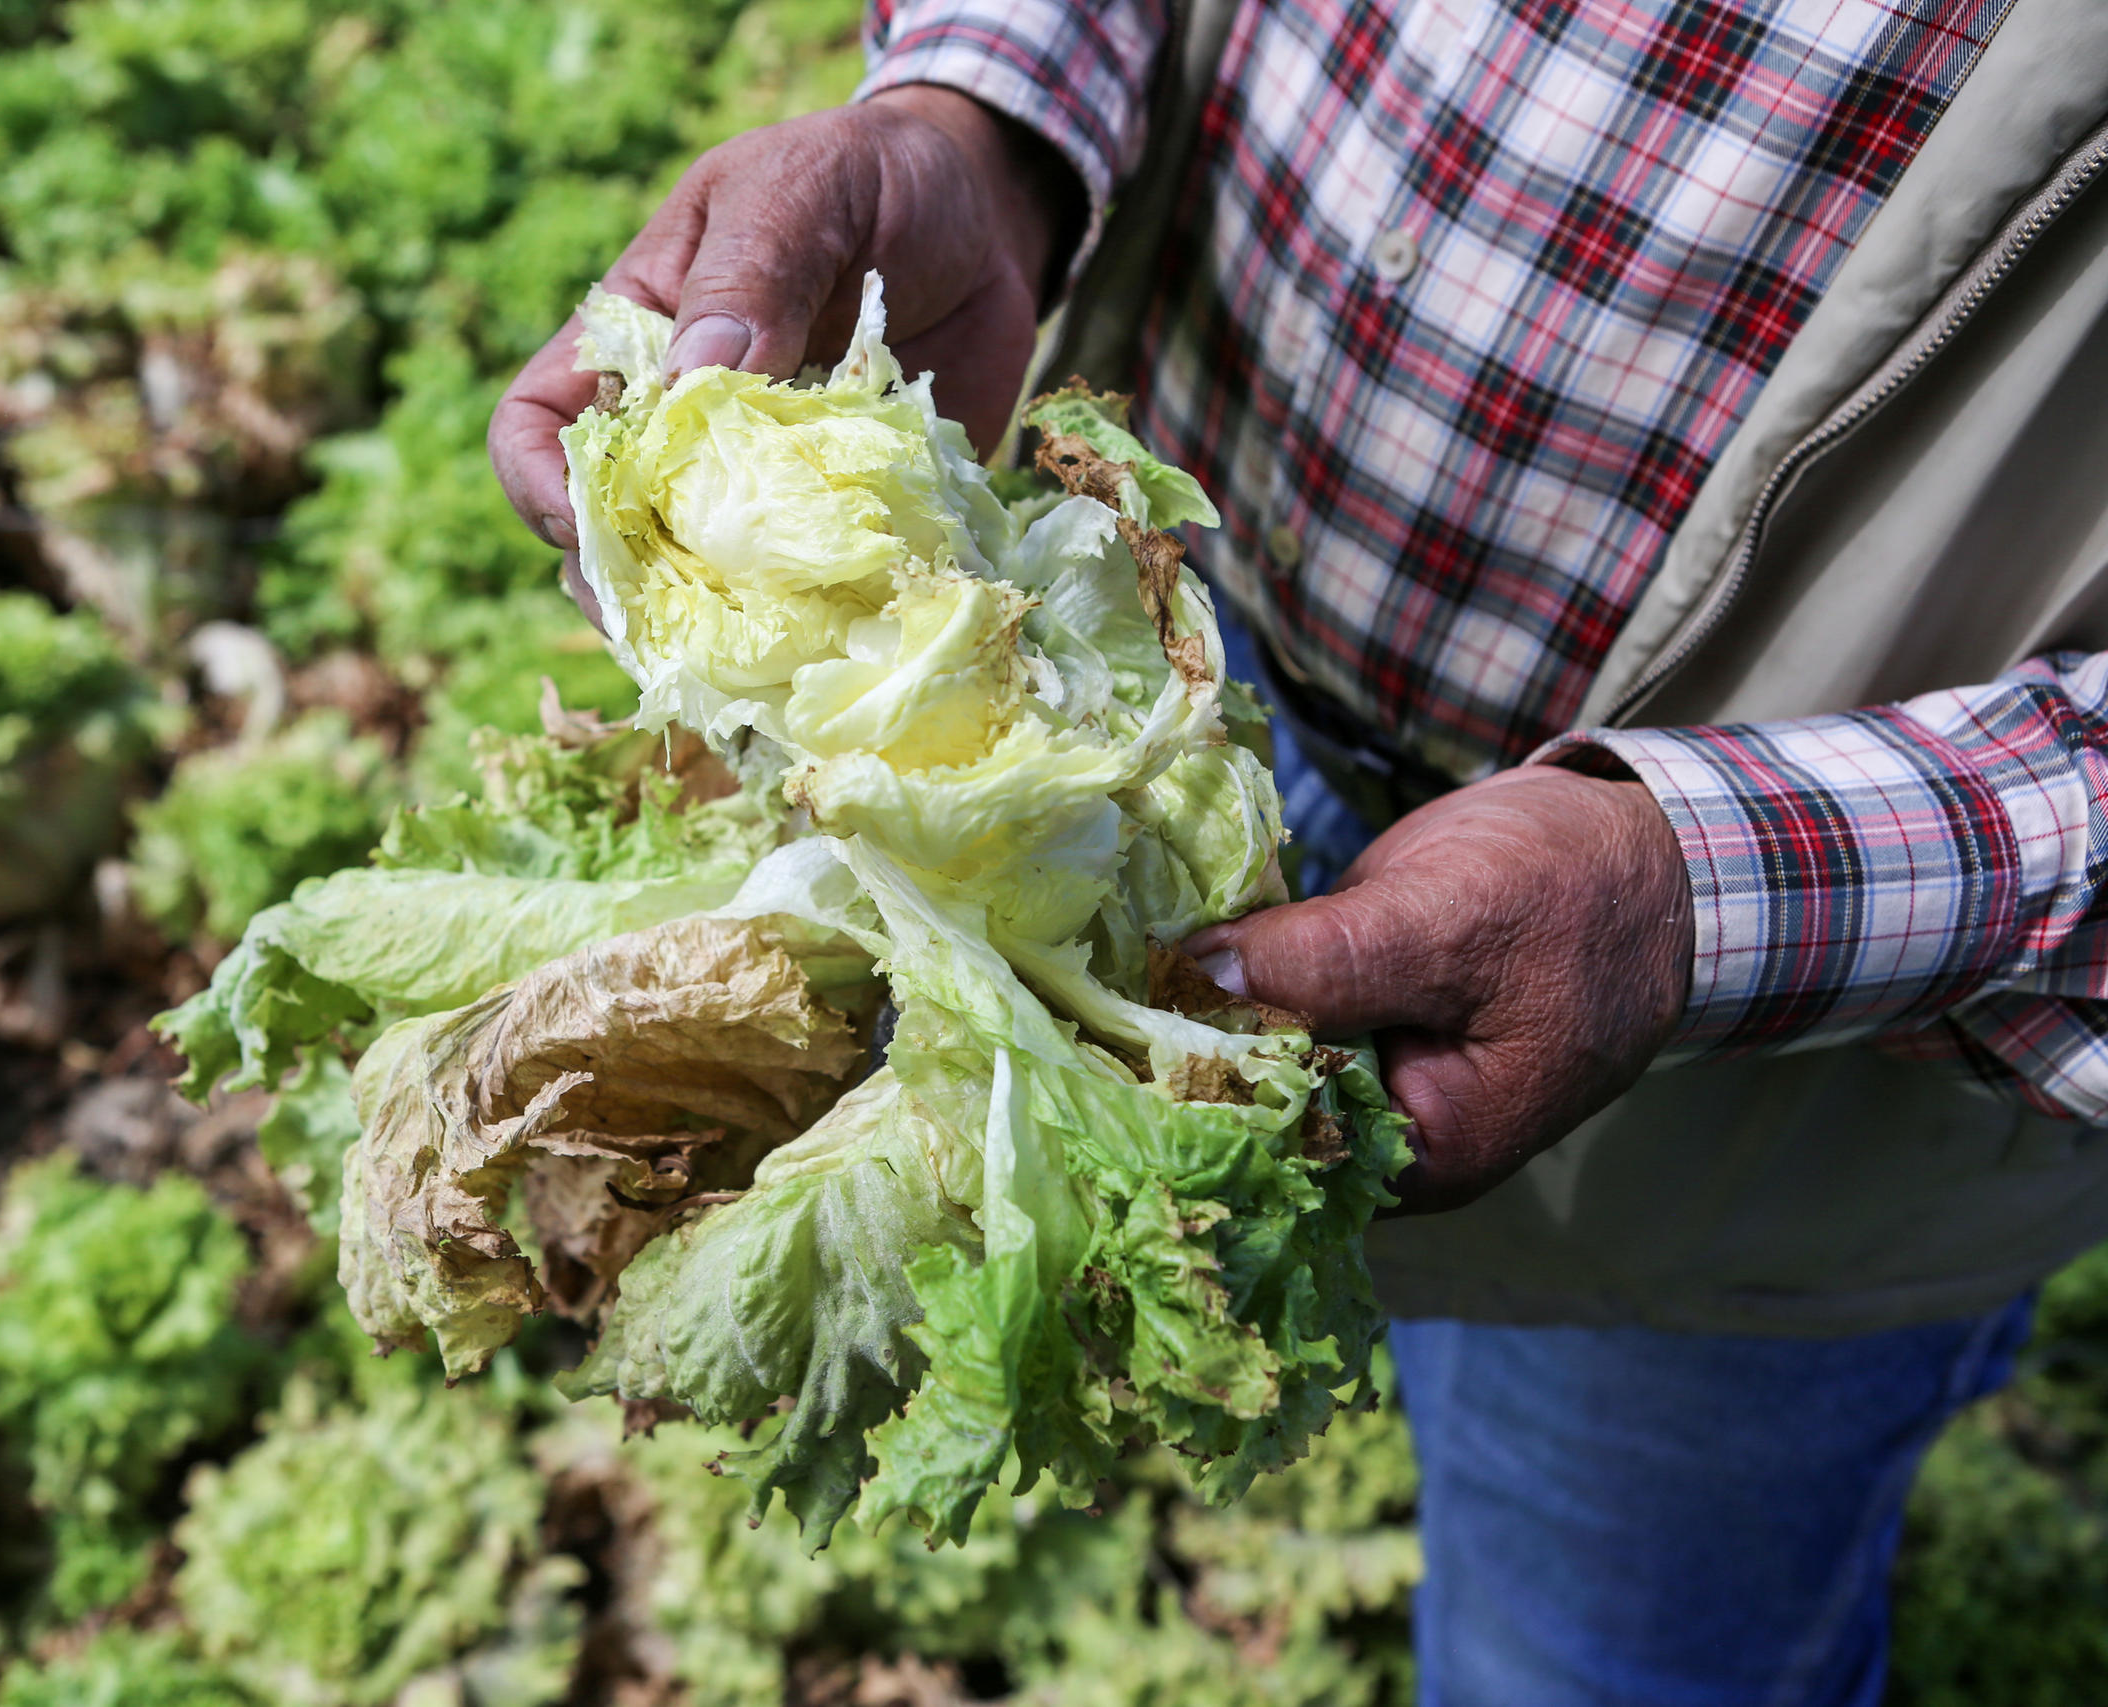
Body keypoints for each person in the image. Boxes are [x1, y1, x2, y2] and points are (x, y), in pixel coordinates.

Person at [491, 3, 2108, 1701]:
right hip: (1137, 663)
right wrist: (989, 118)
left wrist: (1707, 892)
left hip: (1789, 1021)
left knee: (1610, 1640)